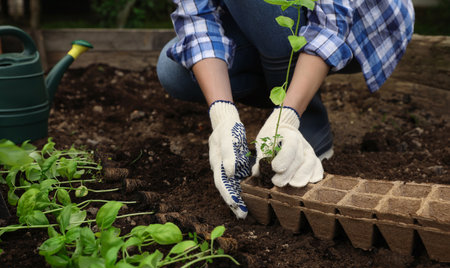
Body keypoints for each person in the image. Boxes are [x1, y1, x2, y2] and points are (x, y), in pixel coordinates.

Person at [157, 0, 415, 219]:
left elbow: (330, 24)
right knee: (174, 72)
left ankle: (307, 118)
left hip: (363, 24)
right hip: (266, 20)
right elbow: (196, 19)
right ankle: (281, 83)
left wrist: (288, 117)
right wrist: (223, 115)